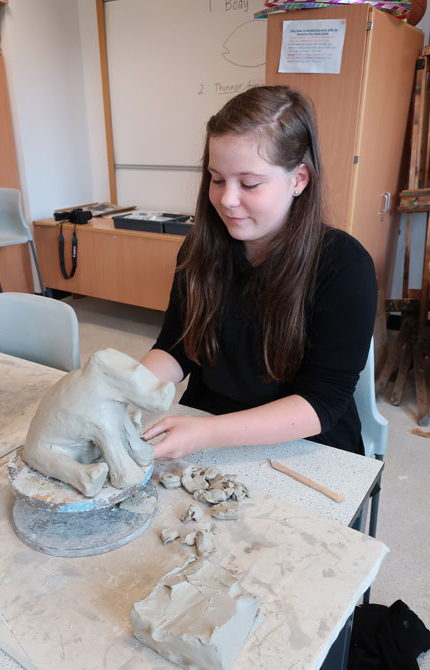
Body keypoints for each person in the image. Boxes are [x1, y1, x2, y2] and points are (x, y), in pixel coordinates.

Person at [140, 85, 377, 461]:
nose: (226, 199)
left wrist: (208, 434)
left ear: (298, 179)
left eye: (249, 183)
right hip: (206, 416)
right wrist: (122, 388)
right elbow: (177, 346)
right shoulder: (201, 249)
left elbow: (322, 402)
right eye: (217, 179)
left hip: (303, 443)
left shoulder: (344, 266)